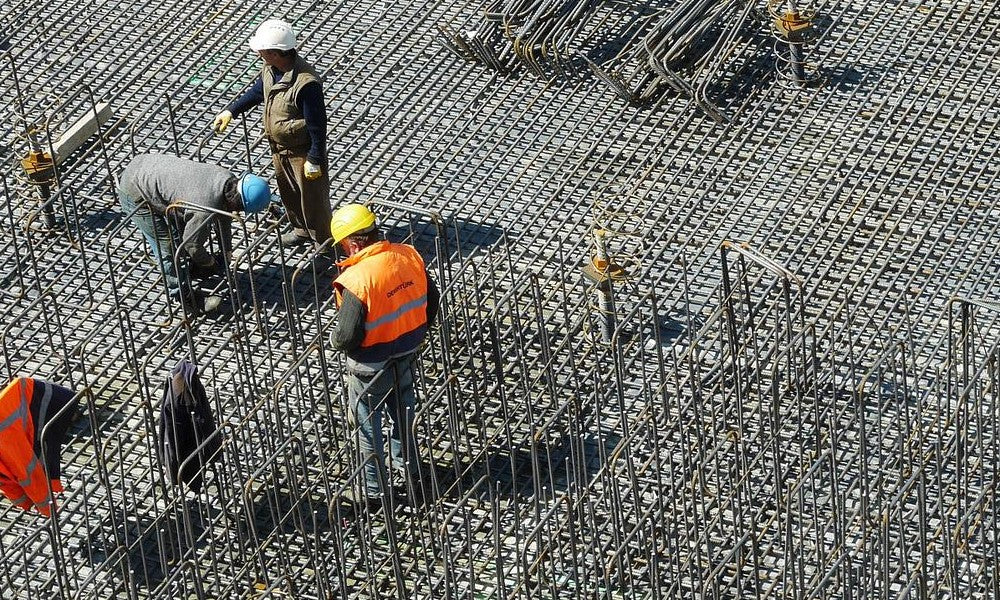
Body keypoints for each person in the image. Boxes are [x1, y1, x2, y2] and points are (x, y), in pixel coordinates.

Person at [328, 204, 439, 511]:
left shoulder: (358, 278)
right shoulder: (408, 255)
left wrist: (335, 339)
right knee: (404, 413)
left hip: (370, 363)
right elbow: (433, 302)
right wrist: (412, 331)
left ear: (352, 243)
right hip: (407, 348)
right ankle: (411, 476)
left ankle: (374, 492)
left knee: (366, 422)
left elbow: (347, 335)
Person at [212, 19, 332, 249]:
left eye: (263, 51)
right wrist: (232, 111)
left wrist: (315, 158)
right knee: (289, 194)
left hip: (302, 153)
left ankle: (323, 243)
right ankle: (301, 231)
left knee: (313, 201)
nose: (259, 54)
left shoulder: (306, 83)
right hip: (280, 148)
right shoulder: (271, 69)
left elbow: (317, 123)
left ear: (277, 53)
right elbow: (259, 92)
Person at [117, 153, 272, 313]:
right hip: (135, 190)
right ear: (235, 202)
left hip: (146, 166)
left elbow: (224, 216)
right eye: (239, 209)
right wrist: (209, 262)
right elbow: (191, 244)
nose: (238, 212)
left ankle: (191, 270)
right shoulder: (203, 208)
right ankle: (184, 298)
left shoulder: (227, 180)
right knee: (169, 247)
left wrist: (226, 251)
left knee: (183, 234)